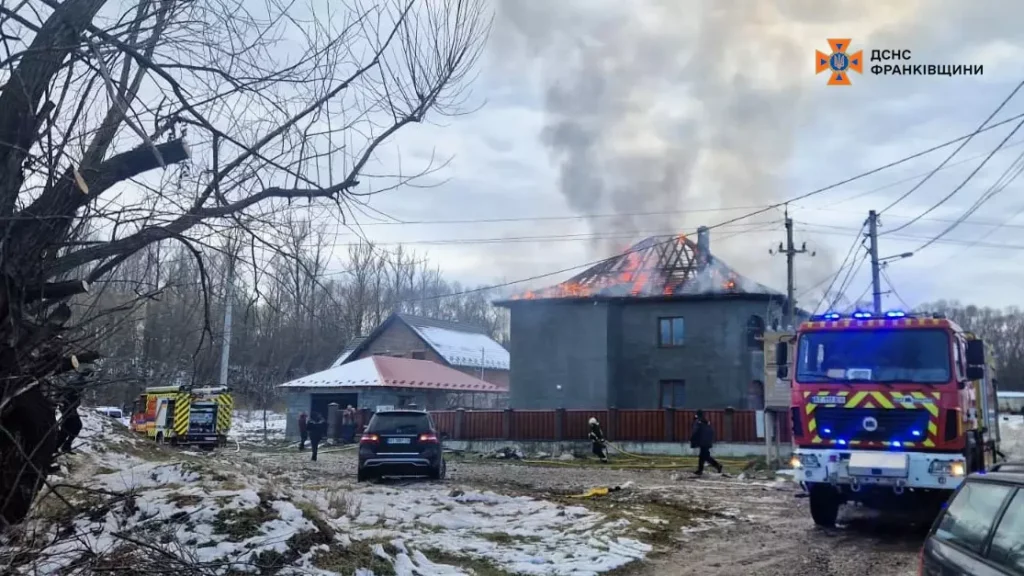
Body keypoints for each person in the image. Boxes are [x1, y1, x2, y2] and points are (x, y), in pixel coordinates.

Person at [56, 377, 85, 454]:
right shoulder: (77, 383)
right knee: (75, 426)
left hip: (69, 409)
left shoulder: (76, 382)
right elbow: (64, 395)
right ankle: (61, 446)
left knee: (67, 429)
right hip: (68, 409)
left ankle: (62, 446)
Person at [690, 409, 722, 476]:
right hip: (707, 441)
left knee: (703, 456)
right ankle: (716, 466)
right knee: (704, 456)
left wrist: (692, 440)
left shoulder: (698, 422)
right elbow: (711, 431)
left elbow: (695, 431)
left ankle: (715, 466)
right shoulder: (706, 422)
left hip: (703, 442)